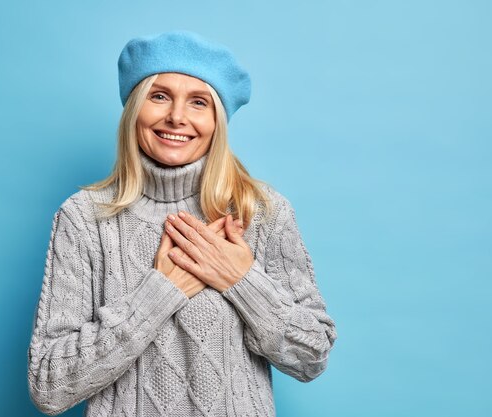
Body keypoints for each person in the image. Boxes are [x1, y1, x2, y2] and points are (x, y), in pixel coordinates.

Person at [27, 30, 337, 417]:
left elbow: (310, 357)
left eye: (198, 102)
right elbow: (49, 385)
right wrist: (160, 291)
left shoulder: (259, 211)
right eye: (159, 96)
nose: (176, 116)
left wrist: (242, 280)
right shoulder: (85, 218)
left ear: (217, 121)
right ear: (134, 110)